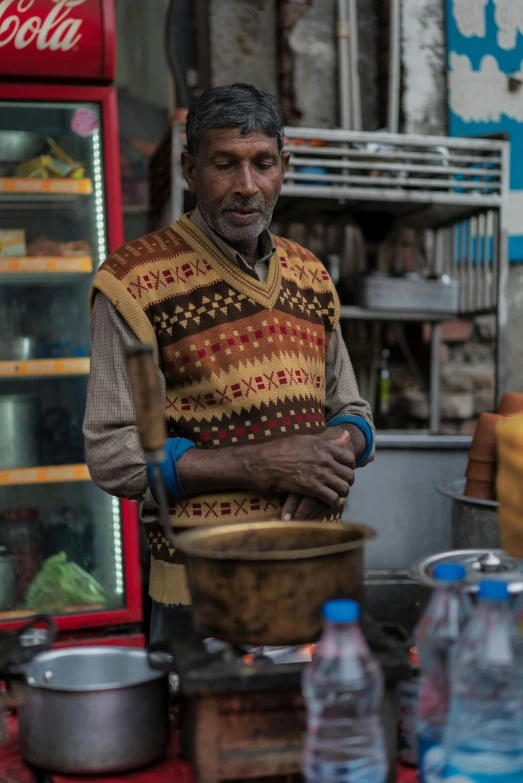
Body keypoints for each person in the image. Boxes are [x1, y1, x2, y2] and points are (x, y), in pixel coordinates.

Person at [84, 83, 375, 641]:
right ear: (191, 170)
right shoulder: (132, 283)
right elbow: (112, 453)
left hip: (313, 573)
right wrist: (263, 464)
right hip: (203, 595)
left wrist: (326, 469)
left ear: (283, 167)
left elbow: (353, 412)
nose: (247, 187)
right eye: (225, 164)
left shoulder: (310, 273)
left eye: (263, 164)